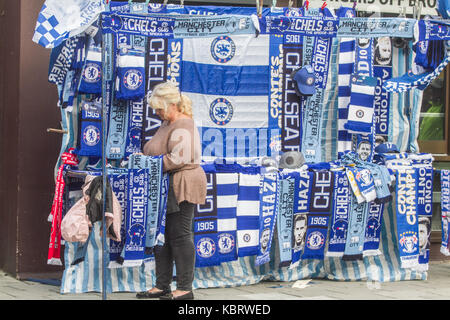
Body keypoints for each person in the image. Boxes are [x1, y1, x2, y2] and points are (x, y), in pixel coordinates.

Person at [136, 81, 207, 300]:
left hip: (181, 184)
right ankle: (162, 285)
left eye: (159, 108)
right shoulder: (168, 122)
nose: (156, 113)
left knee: (180, 236)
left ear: (171, 105)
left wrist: (148, 163)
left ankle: (185, 288)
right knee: (163, 237)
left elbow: (179, 157)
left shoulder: (183, 124)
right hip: (167, 185)